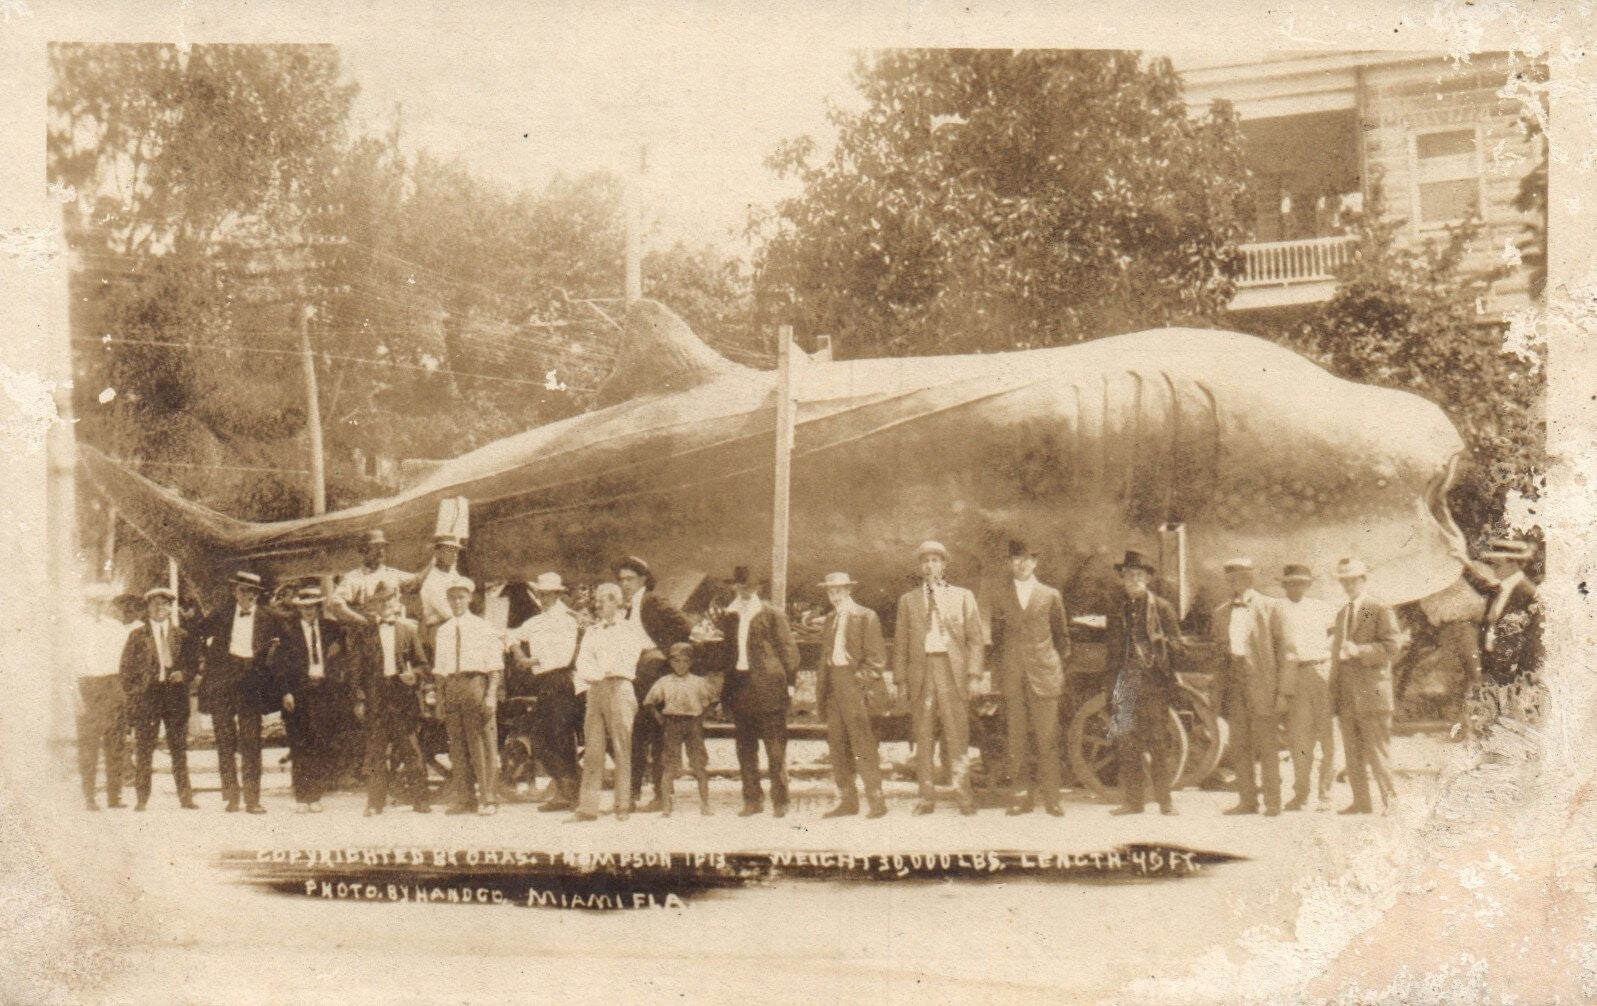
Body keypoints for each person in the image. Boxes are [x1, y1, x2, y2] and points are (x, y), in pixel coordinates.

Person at [893, 540, 985, 817]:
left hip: (951, 671)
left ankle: (963, 795)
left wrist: (973, 675)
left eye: (935, 560)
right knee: (923, 737)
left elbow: (975, 640)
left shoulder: (963, 597)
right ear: (920, 568)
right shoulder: (908, 601)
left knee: (957, 735)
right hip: (922, 672)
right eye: (925, 561)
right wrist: (901, 681)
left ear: (944, 565)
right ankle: (926, 797)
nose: (930, 566)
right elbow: (901, 643)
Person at [989, 539, 1071, 817]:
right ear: (1009, 563)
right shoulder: (1001, 596)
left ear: (1035, 562)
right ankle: (1021, 797)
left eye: (1026, 559)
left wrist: (1053, 668)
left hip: (1044, 677)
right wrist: (1001, 676)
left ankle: (1052, 799)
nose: (1021, 564)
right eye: (1015, 559)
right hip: (1014, 678)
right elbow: (998, 642)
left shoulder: (1050, 595)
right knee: (1017, 739)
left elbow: (1063, 640)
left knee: (1047, 739)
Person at [714, 566, 800, 818]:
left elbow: (788, 651)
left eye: (749, 588)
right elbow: (727, 653)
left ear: (758, 589)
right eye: (740, 587)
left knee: (775, 748)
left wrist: (790, 685)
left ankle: (781, 801)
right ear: (735, 588)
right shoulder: (730, 616)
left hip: (769, 687)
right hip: (740, 687)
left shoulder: (771, 614)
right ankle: (752, 800)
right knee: (745, 747)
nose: (745, 592)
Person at [1105, 551, 1186, 816]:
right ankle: (1134, 802)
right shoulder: (1116, 608)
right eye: (1129, 575)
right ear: (1123, 578)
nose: (1133, 579)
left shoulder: (1161, 607)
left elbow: (1177, 646)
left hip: (1153, 684)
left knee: (1158, 744)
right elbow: (1112, 650)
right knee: (1128, 744)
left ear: (1148, 578)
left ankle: (1165, 802)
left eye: (1139, 575)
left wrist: (1157, 648)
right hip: (1126, 682)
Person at [195, 570, 280, 814]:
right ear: (236, 592)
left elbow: (283, 642)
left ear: (258, 595)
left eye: (253, 592)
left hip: (251, 683)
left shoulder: (268, 617)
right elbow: (196, 632)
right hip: (223, 681)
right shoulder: (221, 614)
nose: (249, 596)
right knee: (224, 740)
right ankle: (231, 797)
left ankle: (252, 799)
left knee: (252, 741)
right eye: (244, 590)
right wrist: (205, 660)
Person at [1212, 557, 1290, 817]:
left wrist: (1283, 692)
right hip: (1234, 686)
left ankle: (1273, 802)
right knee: (1239, 746)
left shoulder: (1270, 607)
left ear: (1251, 579)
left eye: (1242, 577)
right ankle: (1247, 801)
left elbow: (1286, 653)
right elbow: (1219, 656)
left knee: (1267, 746)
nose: (1236, 583)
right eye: (1231, 578)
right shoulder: (1221, 612)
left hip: (1263, 687)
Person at [1329, 557, 1405, 815]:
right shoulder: (1343, 613)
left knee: (1377, 751)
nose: (1348, 585)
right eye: (1344, 581)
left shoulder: (1379, 608)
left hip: (1373, 693)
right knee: (1352, 752)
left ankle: (1391, 804)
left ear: (1363, 580)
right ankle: (1361, 802)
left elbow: (1393, 647)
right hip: (1348, 695)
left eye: (1353, 580)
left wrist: (1359, 651)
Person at [616, 556, 692, 813]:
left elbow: (684, 625)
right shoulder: (626, 607)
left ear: (643, 580)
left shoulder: (651, 601)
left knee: (660, 734)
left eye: (630, 579)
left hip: (654, 671)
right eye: (622, 579)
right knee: (635, 734)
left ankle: (662, 795)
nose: (625, 584)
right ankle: (633, 794)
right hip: (635, 673)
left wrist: (663, 653)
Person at [571, 582, 649, 822]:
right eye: (597, 600)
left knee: (622, 747)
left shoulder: (629, 630)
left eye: (603, 600)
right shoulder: (593, 632)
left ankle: (623, 804)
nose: (598, 604)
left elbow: (627, 659)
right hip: (595, 689)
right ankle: (588, 807)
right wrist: (595, 675)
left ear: (615, 601)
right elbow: (583, 660)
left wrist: (602, 670)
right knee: (593, 749)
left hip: (619, 687)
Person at [506, 571, 584, 812]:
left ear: (558, 594)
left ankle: (569, 792)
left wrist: (532, 661)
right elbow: (509, 636)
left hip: (561, 681)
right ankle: (566, 789)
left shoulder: (568, 619)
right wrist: (519, 653)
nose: (544, 598)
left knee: (559, 738)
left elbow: (561, 656)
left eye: (549, 593)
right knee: (542, 739)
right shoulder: (535, 622)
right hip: (544, 683)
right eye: (541, 594)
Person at [816, 572, 888, 819]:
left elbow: (876, 659)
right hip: (834, 685)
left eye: (838, 589)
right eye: (829, 590)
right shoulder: (829, 619)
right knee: (837, 744)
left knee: (862, 744)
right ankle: (848, 800)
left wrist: (857, 684)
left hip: (855, 686)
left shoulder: (865, 616)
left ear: (848, 590)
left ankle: (876, 801)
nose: (833, 594)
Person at [353, 587, 432, 815]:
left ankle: (421, 801)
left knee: (411, 750)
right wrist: (359, 699)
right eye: (380, 601)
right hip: (376, 698)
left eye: (389, 599)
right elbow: (356, 670)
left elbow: (423, 665)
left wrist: (413, 676)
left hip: (401, 697)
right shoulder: (365, 633)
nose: (385, 604)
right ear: (374, 605)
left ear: (396, 602)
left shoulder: (408, 630)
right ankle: (375, 804)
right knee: (376, 752)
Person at [120, 586, 198, 811]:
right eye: (155, 604)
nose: (160, 608)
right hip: (149, 697)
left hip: (174, 696)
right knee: (145, 749)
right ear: (148, 608)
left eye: (164, 604)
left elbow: (193, 664)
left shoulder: (182, 636)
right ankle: (142, 799)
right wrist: (135, 695)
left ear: (171, 608)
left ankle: (186, 798)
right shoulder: (137, 636)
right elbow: (126, 669)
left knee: (178, 750)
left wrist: (184, 674)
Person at [432, 576, 504, 815]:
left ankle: (488, 798)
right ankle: (465, 798)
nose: (457, 602)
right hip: (452, 686)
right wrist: (440, 699)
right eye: (452, 597)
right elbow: (440, 669)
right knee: (457, 746)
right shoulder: (443, 631)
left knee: (482, 743)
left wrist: (491, 695)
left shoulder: (484, 628)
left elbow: (495, 666)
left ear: (470, 598)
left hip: (475, 684)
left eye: (461, 596)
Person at [271, 586, 346, 813]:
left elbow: (343, 656)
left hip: (324, 692)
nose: (309, 611)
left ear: (318, 607)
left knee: (320, 743)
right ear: (299, 608)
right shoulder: (288, 632)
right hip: (298, 694)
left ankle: (316, 795)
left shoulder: (332, 629)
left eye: (313, 606)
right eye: (304, 607)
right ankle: (302, 797)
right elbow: (279, 666)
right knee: (300, 744)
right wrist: (285, 692)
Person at [1276, 564, 1339, 811]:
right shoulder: (1276, 610)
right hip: (1295, 674)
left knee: (1328, 737)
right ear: (1284, 585)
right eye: (1291, 583)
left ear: (1308, 585)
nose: (1297, 587)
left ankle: (1325, 793)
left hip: (1322, 671)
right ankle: (1301, 794)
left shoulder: (1321, 608)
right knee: (1299, 739)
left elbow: (1336, 638)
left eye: (1302, 583)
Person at [643, 642, 722, 817]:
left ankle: (705, 805)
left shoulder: (698, 681)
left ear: (691, 662)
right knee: (670, 767)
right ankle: (666, 807)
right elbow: (649, 701)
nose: (680, 665)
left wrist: (703, 716)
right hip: (672, 724)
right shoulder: (664, 682)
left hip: (693, 724)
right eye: (676, 661)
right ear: (670, 663)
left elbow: (714, 699)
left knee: (699, 766)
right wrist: (659, 716)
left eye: (685, 661)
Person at [1456, 537, 1541, 684]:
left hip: (1517, 679)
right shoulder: (1496, 590)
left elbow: (1536, 645)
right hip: (1493, 674)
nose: (1489, 569)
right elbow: (1481, 583)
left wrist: (1525, 679)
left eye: (1492, 564)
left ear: (1508, 564)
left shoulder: (1532, 596)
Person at [78, 587, 133, 811]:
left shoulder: (116, 628)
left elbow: (125, 661)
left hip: (113, 684)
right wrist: (76, 696)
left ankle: (114, 794)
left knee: (116, 742)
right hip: (88, 685)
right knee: (89, 744)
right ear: (86, 602)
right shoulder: (76, 627)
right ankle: (89, 796)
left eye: (102, 602)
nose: (98, 607)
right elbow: (68, 664)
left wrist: (123, 691)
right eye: (94, 602)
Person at [327, 529, 410, 625]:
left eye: (382, 547)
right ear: (364, 551)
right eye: (375, 547)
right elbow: (335, 605)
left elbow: (417, 581)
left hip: (394, 630)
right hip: (370, 634)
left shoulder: (391, 573)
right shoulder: (354, 577)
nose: (380, 551)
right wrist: (362, 621)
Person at [408, 534, 467, 649]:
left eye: (456, 551)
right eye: (450, 551)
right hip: (438, 629)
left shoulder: (453, 574)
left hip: (455, 624)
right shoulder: (432, 581)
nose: (455, 555)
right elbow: (448, 613)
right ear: (437, 553)